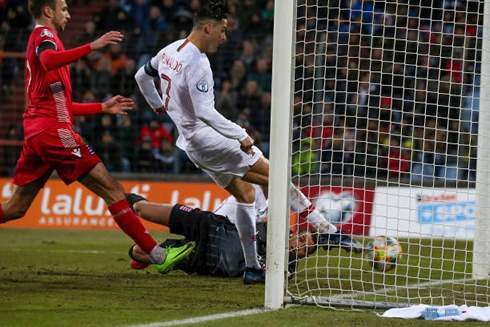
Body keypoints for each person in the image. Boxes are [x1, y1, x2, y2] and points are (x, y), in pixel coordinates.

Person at [135, 0, 362, 284]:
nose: (224, 37)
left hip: (192, 146)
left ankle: (253, 267)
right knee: (277, 177)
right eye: (223, 30)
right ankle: (325, 228)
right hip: (212, 140)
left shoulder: (170, 50)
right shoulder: (198, 62)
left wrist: (158, 104)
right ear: (208, 27)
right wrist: (239, 135)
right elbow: (205, 112)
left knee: (246, 196)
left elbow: (141, 76)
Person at [0, 0, 194, 275]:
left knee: (15, 208)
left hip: (38, 133)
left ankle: (147, 252)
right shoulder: (44, 36)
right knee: (113, 191)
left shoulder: (46, 45)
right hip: (55, 133)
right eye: (64, 9)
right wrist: (93, 45)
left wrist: (102, 107)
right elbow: (47, 59)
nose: (67, 14)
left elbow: (63, 106)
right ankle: (157, 254)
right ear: (48, 11)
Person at [124, 192, 318, 282]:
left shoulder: (286, 270)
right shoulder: (274, 230)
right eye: (301, 241)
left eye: (304, 250)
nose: (298, 248)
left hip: (205, 262)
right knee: (141, 209)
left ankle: (156, 254)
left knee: (137, 252)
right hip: (209, 226)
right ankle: (114, 195)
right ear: (295, 234)